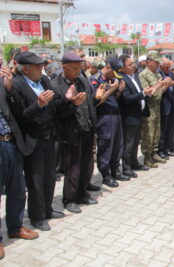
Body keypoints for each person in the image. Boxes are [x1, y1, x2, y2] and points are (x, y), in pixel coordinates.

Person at [10, 52, 64, 231]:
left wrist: (70, 100)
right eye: (38, 67)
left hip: (49, 136)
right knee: (36, 180)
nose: (42, 70)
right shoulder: (17, 85)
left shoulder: (43, 81)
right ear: (25, 69)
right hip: (33, 140)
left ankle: (47, 209)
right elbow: (19, 117)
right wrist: (37, 104)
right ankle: (37, 216)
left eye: (43, 66)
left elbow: (55, 104)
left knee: (49, 177)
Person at [51, 53, 98, 214]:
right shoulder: (56, 84)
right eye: (75, 68)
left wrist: (93, 124)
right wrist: (70, 102)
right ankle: (69, 199)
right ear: (64, 67)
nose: (79, 71)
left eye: (80, 67)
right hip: (71, 132)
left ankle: (82, 193)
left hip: (87, 128)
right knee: (73, 167)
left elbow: (90, 104)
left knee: (87, 164)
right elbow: (56, 111)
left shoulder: (83, 81)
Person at [0, 66, 39, 259]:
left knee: (17, 189)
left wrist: (9, 89)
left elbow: (17, 112)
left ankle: (15, 227)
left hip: (11, 142)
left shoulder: (5, 84)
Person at [90, 58, 128, 187]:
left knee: (118, 145)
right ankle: (105, 174)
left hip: (116, 115)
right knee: (107, 146)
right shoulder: (95, 80)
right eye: (114, 72)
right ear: (107, 67)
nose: (115, 76)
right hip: (105, 117)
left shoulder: (111, 80)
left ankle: (115, 170)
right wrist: (112, 89)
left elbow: (114, 99)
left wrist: (118, 90)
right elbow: (97, 101)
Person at [119, 55, 152, 175]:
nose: (133, 65)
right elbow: (126, 98)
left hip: (139, 114)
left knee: (136, 141)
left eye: (133, 63)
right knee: (129, 143)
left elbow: (139, 93)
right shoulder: (122, 79)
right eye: (130, 64)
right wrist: (143, 93)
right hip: (129, 117)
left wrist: (147, 92)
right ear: (122, 67)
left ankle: (134, 162)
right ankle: (126, 167)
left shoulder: (135, 77)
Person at [139, 51, 170, 168]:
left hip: (157, 106)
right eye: (156, 62)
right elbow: (148, 92)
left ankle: (154, 153)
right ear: (148, 62)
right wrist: (160, 85)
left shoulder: (157, 74)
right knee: (149, 133)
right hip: (149, 107)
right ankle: (147, 157)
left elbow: (160, 92)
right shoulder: (143, 75)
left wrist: (167, 85)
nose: (158, 64)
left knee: (157, 132)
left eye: (158, 62)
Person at [158, 58, 174, 158]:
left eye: (169, 66)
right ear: (160, 66)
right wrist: (167, 84)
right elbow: (159, 89)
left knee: (170, 129)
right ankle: (161, 150)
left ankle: (168, 147)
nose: (168, 68)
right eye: (166, 66)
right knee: (163, 130)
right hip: (164, 105)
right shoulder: (159, 74)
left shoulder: (170, 74)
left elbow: (173, 87)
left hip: (172, 104)